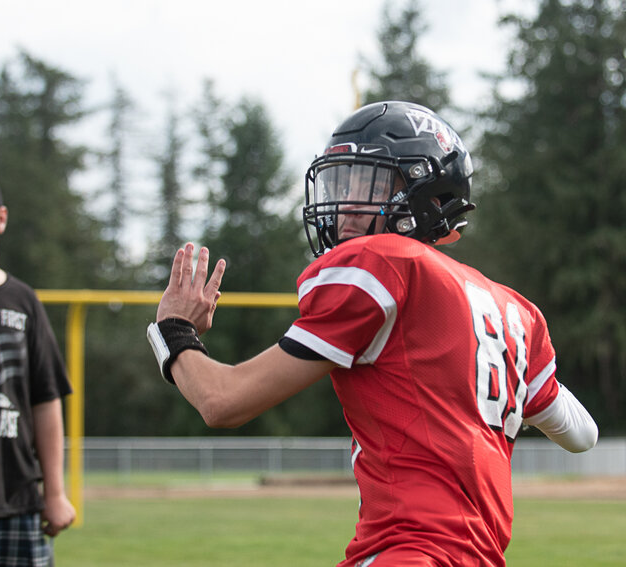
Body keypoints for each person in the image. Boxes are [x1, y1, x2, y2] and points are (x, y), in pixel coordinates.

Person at [147, 101, 598, 566]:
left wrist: (173, 330)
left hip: (407, 553)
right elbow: (582, 434)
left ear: (428, 199)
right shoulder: (514, 312)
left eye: (368, 183)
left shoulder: (381, 264)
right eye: (340, 182)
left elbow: (223, 401)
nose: (343, 205)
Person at [0, 179, 76, 566]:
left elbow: (46, 401)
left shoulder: (22, 301)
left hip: (16, 499)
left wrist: (55, 492)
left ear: (1, 218)